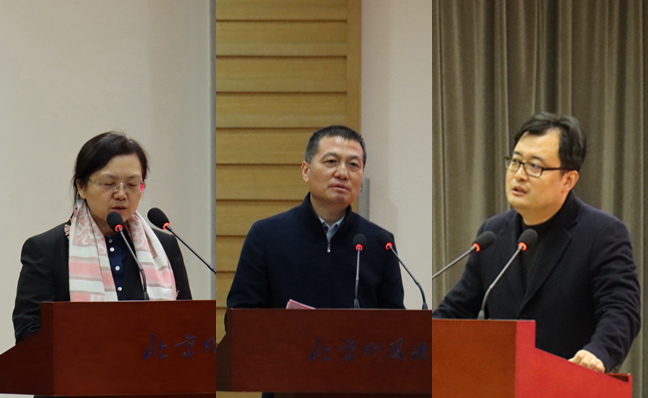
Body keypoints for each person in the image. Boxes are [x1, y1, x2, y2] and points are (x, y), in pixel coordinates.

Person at [433, 113, 640, 373]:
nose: (519, 175)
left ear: (568, 180)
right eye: (515, 162)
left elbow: (622, 309)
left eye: (534, 166)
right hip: (503, 382)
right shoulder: (493, 234)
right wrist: (420, 337)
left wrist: (598, 352)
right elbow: (456, 310)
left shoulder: (602, 234)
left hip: (569, 381)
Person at [13, 132, 192, 345]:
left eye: (132, 184)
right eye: (109, 183)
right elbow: (29, 333)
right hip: (78, 366)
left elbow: (187, 326)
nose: (121, 194)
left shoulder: (164, 247)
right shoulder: (46, 249)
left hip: (153, 365)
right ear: (81, 187)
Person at [227, 125, 405, 310]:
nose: (342, 173)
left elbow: (396, 322)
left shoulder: (381, 244)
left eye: (353, 165)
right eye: (331, 161)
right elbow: (240, 314)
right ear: (306, 171)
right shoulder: (266, 236)